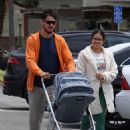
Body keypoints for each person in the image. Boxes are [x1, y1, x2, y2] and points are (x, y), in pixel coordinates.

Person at [25, 9, 76, 130]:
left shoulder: (60, 40)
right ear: (42, 22)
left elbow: (69, 60)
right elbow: (30, 60)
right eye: (49, 22)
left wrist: (71, 71)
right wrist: (40, 72)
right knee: (35, 120)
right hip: (37, 85)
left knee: (56, 118)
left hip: (54, 85)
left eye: (54, 22)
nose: (51, 25)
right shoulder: (32, 40)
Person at [76, 30, 118, 130]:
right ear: (91, 39)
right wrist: (83, 87)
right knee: (86, 118)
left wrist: (104, 76)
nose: (97, 41)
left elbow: (114, 71)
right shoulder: (84, 54)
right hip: (89, 90)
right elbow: (79, 73)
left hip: (103, 90)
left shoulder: (108, 54)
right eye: (95, 38)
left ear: (103, 41)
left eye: (99, 39)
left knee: (99, 118)